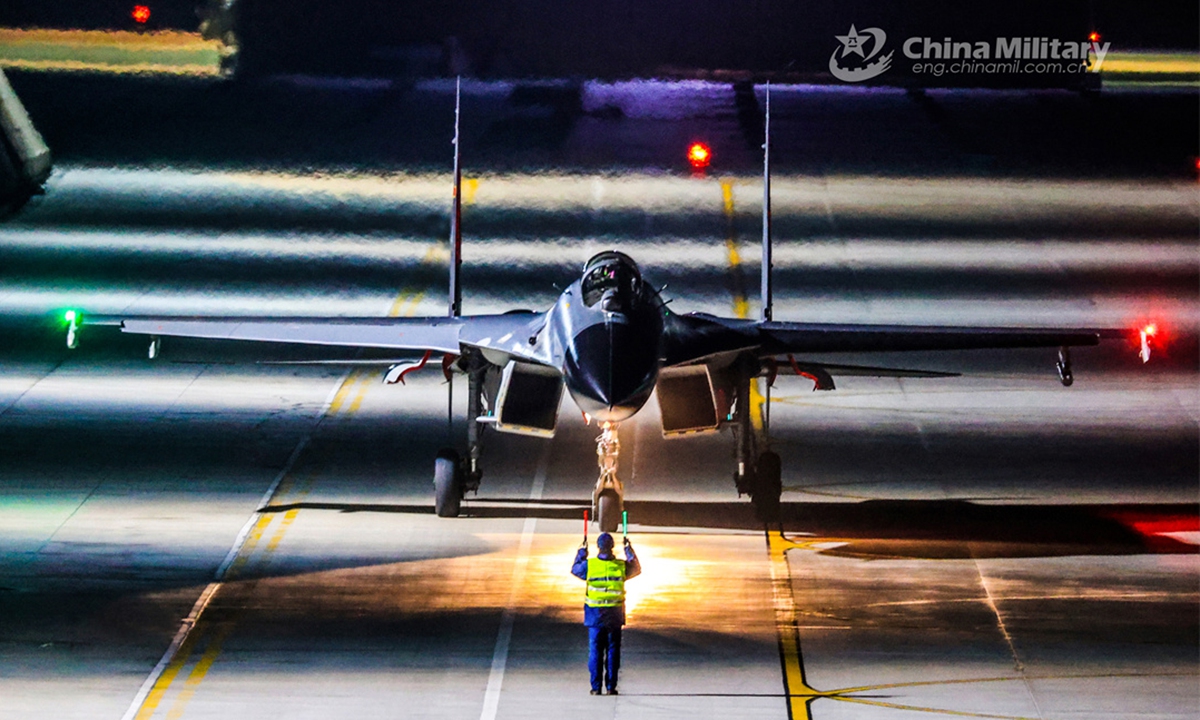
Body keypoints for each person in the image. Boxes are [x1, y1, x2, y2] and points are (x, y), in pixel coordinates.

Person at [571, 531, 640, 695]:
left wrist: (581, 553)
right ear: (612, 547)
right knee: (613, 651)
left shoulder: (590, 566)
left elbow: (575, 569)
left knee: (595, 652)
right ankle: (611, 687)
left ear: (598, 547)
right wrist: (629, 549)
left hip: (595, 616)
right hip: (614, 616)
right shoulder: (620, 567)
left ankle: (595, 688)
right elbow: (636, 568)